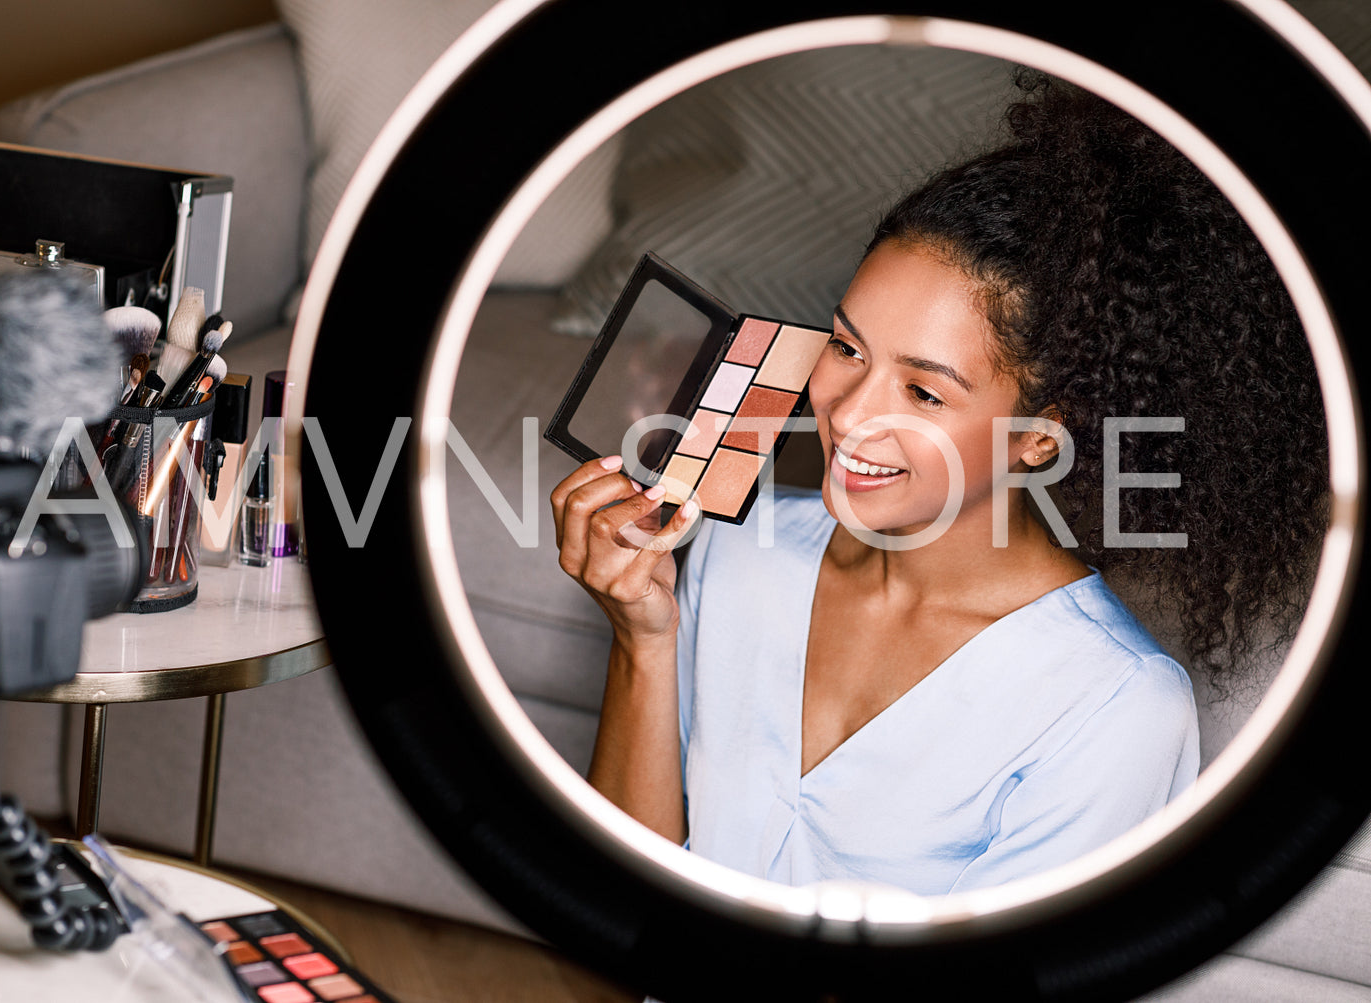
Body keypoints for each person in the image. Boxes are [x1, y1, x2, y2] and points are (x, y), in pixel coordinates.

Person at [550, 72, 1327, 896]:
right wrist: (643, 637)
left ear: (1039, 436)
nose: (848, 417)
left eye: (922, 391)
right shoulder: (737, 547)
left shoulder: (1109, 705)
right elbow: (625, 908)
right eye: (847, 348)